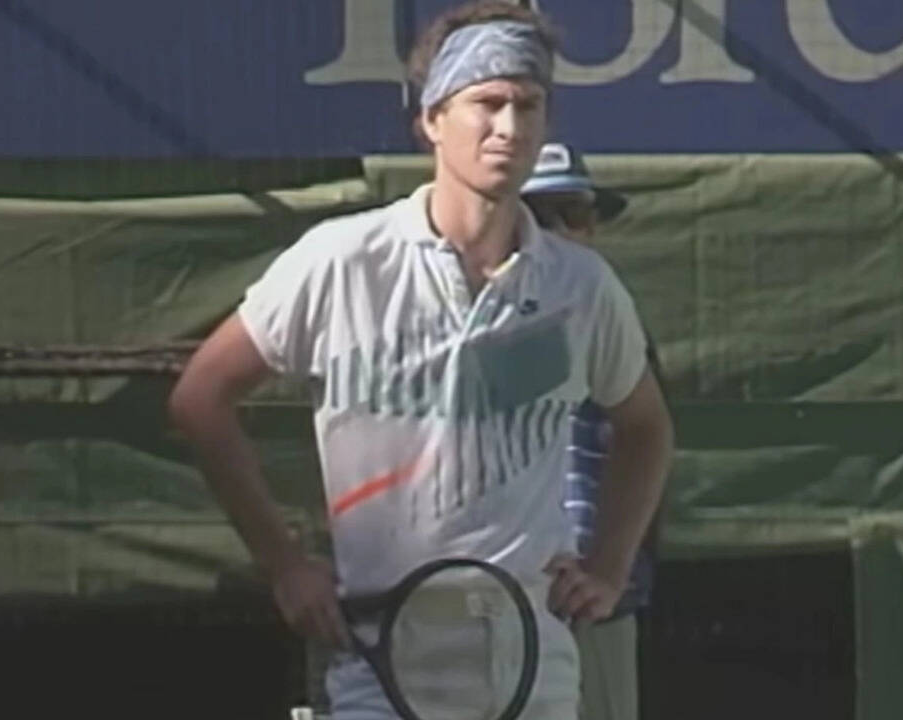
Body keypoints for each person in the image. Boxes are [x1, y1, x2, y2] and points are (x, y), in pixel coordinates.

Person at [168, 3, 673, 718]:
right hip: (375, 663)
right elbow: (200, 399)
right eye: (487, 102)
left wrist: (610, 566)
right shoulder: (340, 260)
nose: (509, 126)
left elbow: (646, 427)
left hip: (534, 663)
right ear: (432, 119)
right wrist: (285, 566)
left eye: (528, 105)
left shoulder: (582, 285)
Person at [521, 143, 660, 720]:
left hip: (591, 606)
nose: (561, 230)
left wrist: (609, 572)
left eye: (575, 213)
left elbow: (645, 442)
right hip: (488, 600)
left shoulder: (612, 319)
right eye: (540, 214)